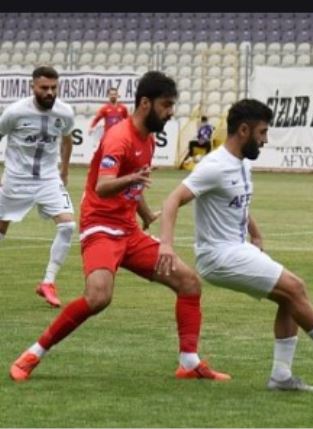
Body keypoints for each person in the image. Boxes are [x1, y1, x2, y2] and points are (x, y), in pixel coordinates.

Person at [9, 71, 229, 382]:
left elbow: (132, 186)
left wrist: (145, 213)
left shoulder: (148, 139)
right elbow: (103, 186)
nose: (170, 113)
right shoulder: (119, 137)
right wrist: (133, 181)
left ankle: (189, 362)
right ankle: (33, 353)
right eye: (166, 106)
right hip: (100, 227)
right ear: (145, 103)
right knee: (99, 297)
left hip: (128, 231)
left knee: (189, 283)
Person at [157, 99, 313, 392]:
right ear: (244, 130)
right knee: (295, 287)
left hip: (237, 248)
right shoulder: (214, 166)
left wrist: (256, 234)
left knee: (290, 298)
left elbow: (240, 204)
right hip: (218, 256)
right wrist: (167, 245)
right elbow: (172, 200)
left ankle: (281, 376)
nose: (265, 139)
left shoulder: (243, 163)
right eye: (262, 132)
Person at [0, 66, 76, 308]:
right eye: (44, 88)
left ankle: (48, 282)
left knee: (68, 226)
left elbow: (67, 139)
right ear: (33, 87)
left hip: (48, 179)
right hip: (16, 180)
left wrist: (64, 170)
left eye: (54, 88)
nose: (50, 92)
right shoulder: (15, 112)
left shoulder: (65, 113)